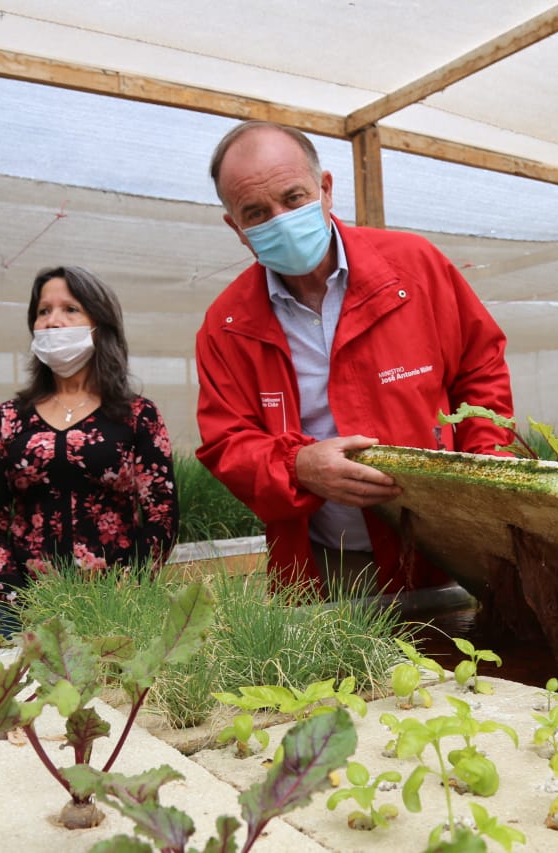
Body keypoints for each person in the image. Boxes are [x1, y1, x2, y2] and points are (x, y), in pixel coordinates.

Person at [196, 121, 515, 595]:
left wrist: (484, 474)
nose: (281, 220)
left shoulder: (415, 267)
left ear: (325, 189)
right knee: (335, 644)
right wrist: (299, 466)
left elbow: (480, 369)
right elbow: (227, 443)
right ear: (236, 228)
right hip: (325, 558)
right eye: (256, 213)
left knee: (457, 637)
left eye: (293, 198)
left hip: (444, 546)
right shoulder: (227, 325)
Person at [0, 265, 179, 614]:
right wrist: (20, 599)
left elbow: (162, 517)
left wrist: (124, 591)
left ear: (99, 324)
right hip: (27, 610)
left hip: (119, 607)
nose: (53, 322)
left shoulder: (137, 416)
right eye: (43, 311)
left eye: (70, 309)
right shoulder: (8, 418)